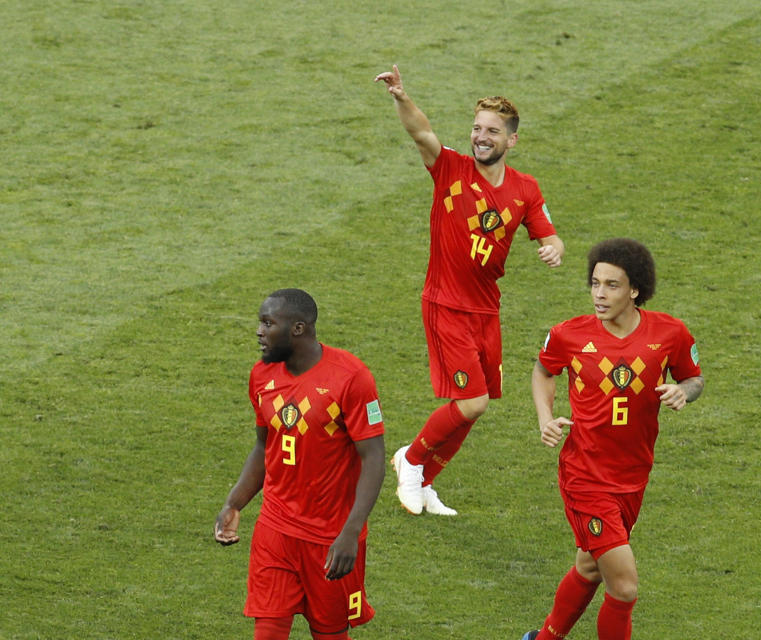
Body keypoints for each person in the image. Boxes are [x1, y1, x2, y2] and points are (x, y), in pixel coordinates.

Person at [374, 64, 565, 516]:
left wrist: (553, 249)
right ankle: (412, 460)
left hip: (486, 309)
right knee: (471, 400)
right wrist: (401, 96)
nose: (481, 136)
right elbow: (422, 134)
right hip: (446, 303)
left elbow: (549, 234)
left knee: (476, 407)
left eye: (492, 131)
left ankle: (423, 479)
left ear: (510, 140)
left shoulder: (525, 189)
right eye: (477, 128)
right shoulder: (450, 169)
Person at [522, 239, 704, 640]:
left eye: (612, 285)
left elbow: (694, 377)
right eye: (594, 283)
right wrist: (545, 418)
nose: (599, 295)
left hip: (634, 476)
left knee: (589, 566)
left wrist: (681, 392)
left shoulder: (669, 333)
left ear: (635, 289)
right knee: (623, 586)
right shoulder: (569, 335)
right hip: (585, 475)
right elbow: (542, 371)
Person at [214, 288, 386, 640]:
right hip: (275, 529)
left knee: (329, 633)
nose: (259, 331)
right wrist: (234, 502)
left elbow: (374, 458)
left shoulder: (351, 378)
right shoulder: (262, 377)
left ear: (298, 328)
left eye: (268, 323)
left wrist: (351, 531)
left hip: (330, 537)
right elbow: (265, 446)